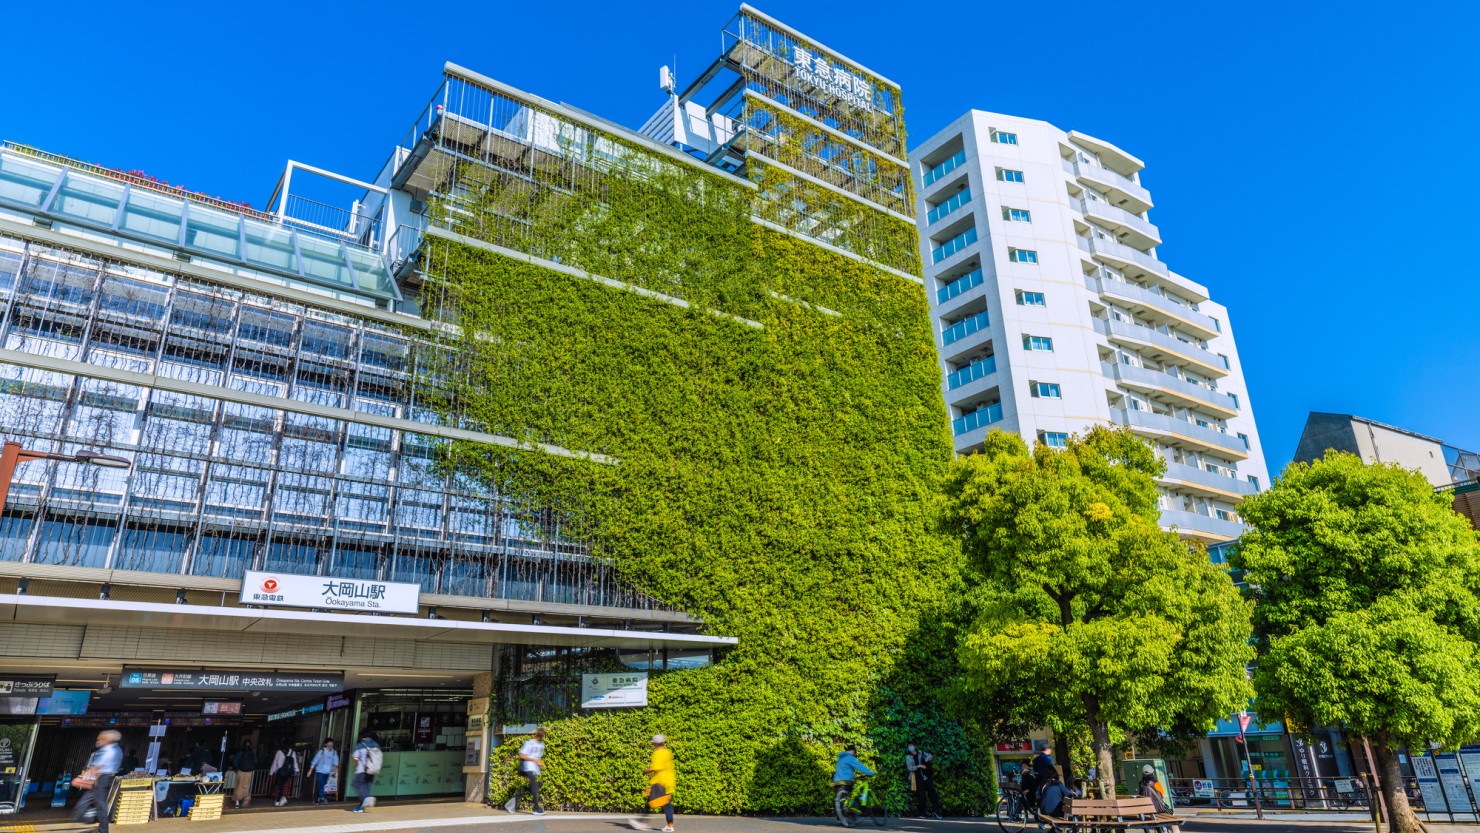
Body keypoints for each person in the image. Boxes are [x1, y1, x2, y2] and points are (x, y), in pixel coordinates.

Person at [73, 730, 122, 833]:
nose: (98, 740)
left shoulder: (107, 750)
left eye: (100, 738)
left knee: (94, 804)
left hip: (102, 779)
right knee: (99, 804)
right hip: (107, 778)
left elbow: (98, 767)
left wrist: (84, 780)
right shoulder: (117, 749)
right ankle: (101, 827)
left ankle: (98, 825)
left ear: (107, 739)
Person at [628, 734, 676, 832]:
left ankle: (643, 823)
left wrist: (646, 770)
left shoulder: (657, 753)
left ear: (655, 743)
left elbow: (656, 767)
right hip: (668, 782)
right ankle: (669, 825)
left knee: (650, 802)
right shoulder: (667, 752)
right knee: (667, 804)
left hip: (659, 782)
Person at [505, 726, 547, 815]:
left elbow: (537, 758)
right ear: (537, 735)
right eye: (539, 736)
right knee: (534, 785)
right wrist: (534, 760)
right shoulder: (529, 743)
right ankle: (536, 808)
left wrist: (540, 763)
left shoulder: (541, 745)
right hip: (527, 767)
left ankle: (513, 802)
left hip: (534, 769)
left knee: (535, 787)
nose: (540, 737)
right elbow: (522, 755)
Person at [832, 744, 876, 812]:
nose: (854, 755)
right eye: (854, 753)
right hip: (846, 781)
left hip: (837, 781)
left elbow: (843, 770)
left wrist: (852, 775)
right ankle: (855, 807)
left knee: (842, 799)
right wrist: (870, 773)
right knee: (853, 794)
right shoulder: (850, 758)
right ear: (853, 751)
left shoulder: (840, 758)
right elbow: (860, 766)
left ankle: (840, 813)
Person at [905, 741, 942, 819]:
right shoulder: (908, 757)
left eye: (911, 745)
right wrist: (919, 766)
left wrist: (928, 758)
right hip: (917, 778)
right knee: (921, 796)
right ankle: (923, 813)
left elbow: (930, 755)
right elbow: (910, 768)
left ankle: (936, 811)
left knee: (933, 794)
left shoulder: (921, 753)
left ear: (914, 746)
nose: (910, 747)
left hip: (927, 776)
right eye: (909, 746)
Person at [351, 733, 383, 813]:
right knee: (366, 788)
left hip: (361, 770)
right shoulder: (376, 745)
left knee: (356, 785)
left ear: (363, 737)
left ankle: (367, 799)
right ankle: (361, 807)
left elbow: (355, 759)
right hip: (371, 770)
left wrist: (355, 764)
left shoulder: (360, 745)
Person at [309, 739, 339, 805]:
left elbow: (336, 762)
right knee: (321, 783)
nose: (331, 744)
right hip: (320, 771)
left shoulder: (334, 753)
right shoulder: (321, 752)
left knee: (321, 785)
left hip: (327, 772)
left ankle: (315, 799)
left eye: (332, 743)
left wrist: (336, 770)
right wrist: (310, 770)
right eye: (329, 743)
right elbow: (315, 761)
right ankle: (323, 797)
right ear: (325, 744)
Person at [268, 741, 297, 806]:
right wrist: (296, 771)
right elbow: (295, 762)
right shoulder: (292, 752)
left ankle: (278, 800)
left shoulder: (279, 752)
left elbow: (275, 763)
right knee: (282, 785)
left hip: (280, 771)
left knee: (279, 786)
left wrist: (271, 772)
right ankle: (282, 798)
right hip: (288, 772)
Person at [231, 740, 258, 809]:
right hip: (249, 772)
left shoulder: (240, 752)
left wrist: (235, 770)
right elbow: (255, 761)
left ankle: (237, 803)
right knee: (246, 786)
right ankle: (246, 798)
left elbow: (235, 762)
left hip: (240, 771)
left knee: (239, 786)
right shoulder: (253, 752)